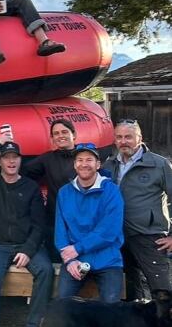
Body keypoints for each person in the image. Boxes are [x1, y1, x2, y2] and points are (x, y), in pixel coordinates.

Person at [0, 138, 52, 327]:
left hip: (25, 244)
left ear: (21, 160)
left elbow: (39, 224)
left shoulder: (31, 187)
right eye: (6, 158)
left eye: (15, 157)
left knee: (46, 270)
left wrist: (28, 250)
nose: (11, 161)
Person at [103, 119, 172, 300]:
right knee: (130, 289)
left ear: (139, 138)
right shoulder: (108, 166)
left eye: (128, 137)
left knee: (162, 290)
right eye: (119, 137)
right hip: (117, 236)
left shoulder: (159, 164)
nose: (123, 141)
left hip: (149, 235)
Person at [55, 143, 124, 302]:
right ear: (74, 164)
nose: (84, 164)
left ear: (98, 164)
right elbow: (60, 229)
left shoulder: (111, 191)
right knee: (63, 307)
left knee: (111, 309)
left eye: (89, 160)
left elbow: (109, 231)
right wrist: (70, 259)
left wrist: (78, 248)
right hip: (76, 260)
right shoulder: (64, 192)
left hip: (107, 260)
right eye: (79, 160)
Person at [22, 119, 78, 258]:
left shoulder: (84, 157)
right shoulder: (47, 159)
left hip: (80, 222)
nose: (60, 136)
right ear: (52, 138)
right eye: (56, 133)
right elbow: (22, 172)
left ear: (74, 134)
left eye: (64, 132)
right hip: (54, 222)